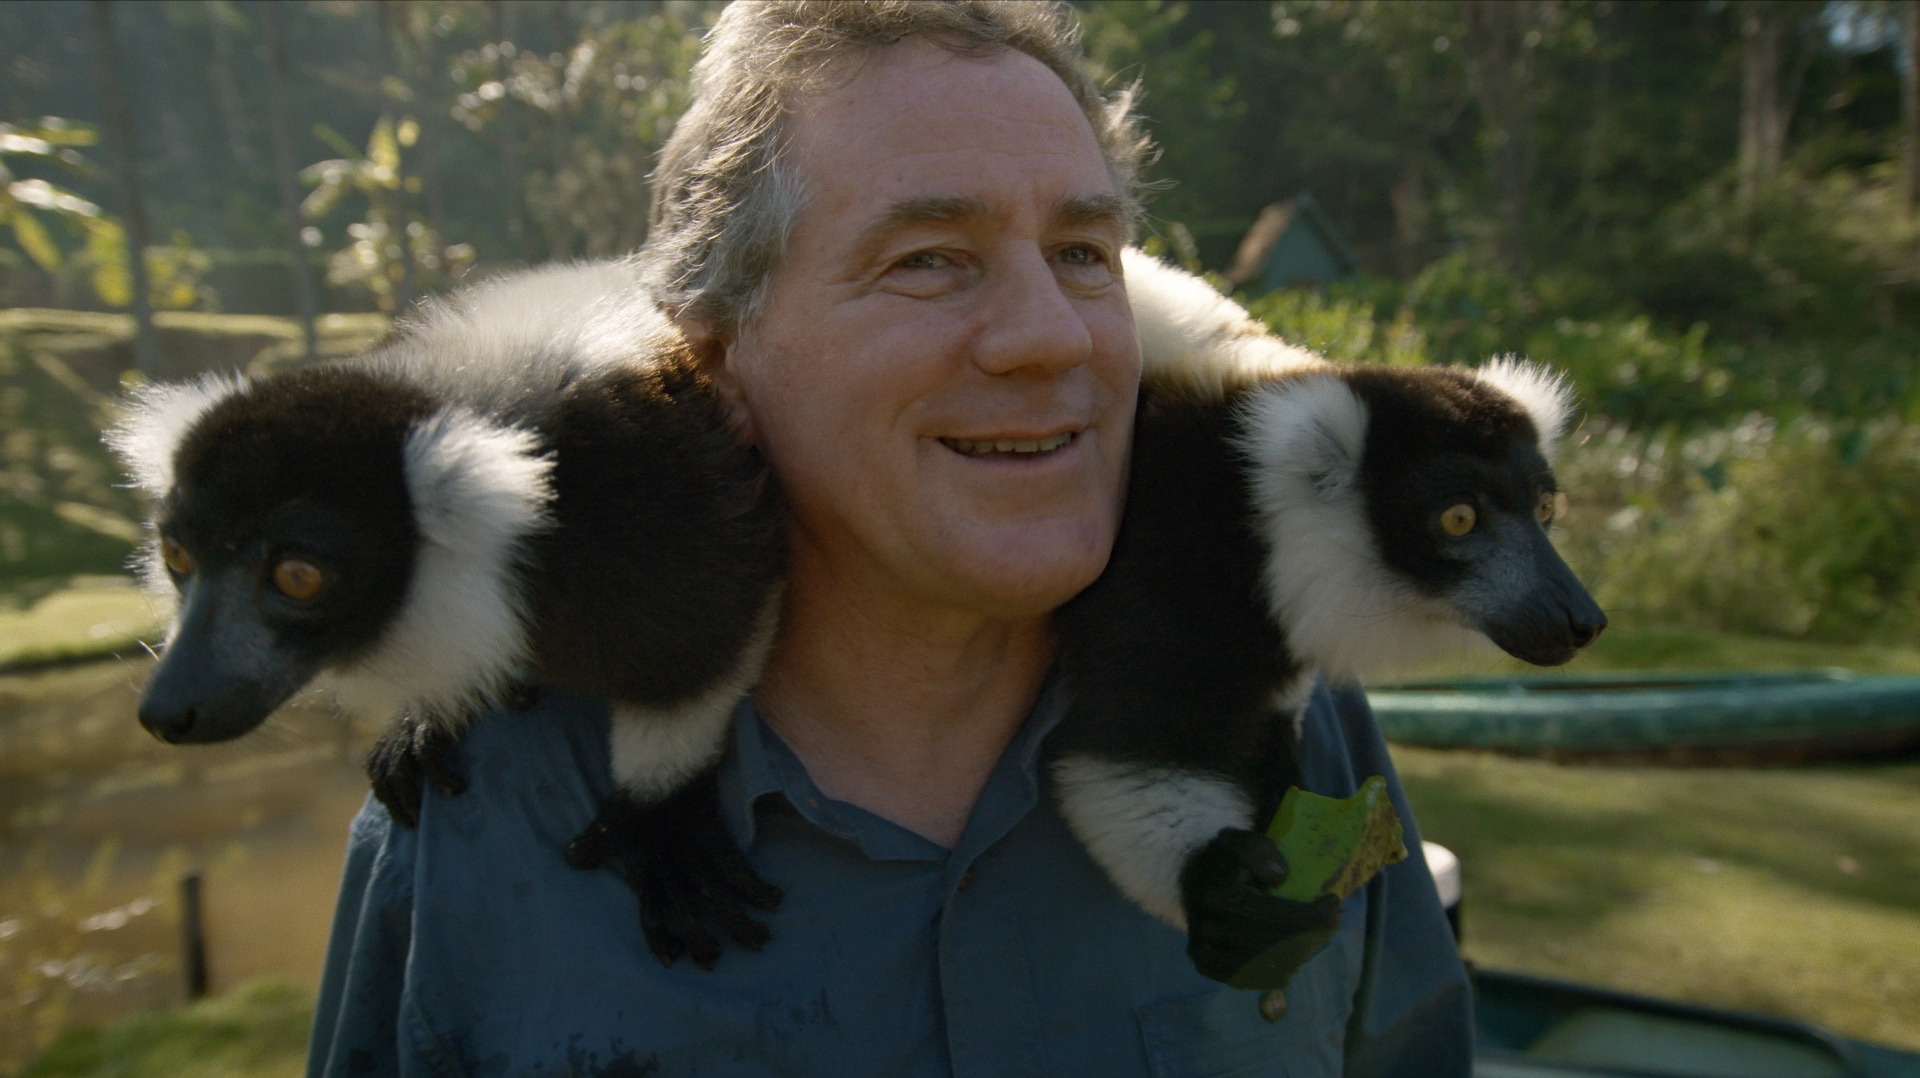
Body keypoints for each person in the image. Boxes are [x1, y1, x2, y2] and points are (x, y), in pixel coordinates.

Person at [306, 3, 1472, 1075]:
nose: (1052, 337)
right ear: (711, 356)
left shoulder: (1288, 704)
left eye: (1082, 253)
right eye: (928, 261)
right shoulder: (480, 808)